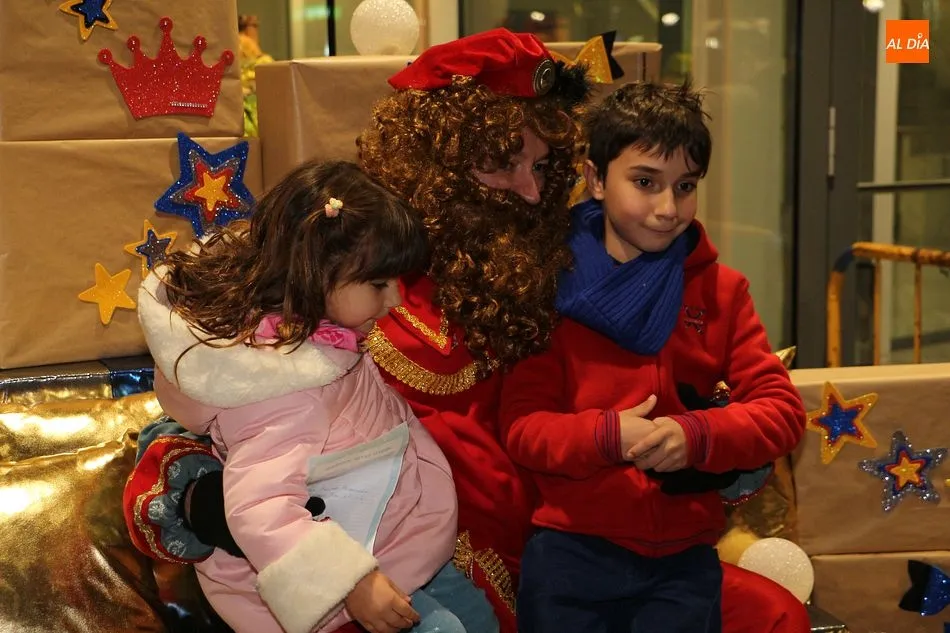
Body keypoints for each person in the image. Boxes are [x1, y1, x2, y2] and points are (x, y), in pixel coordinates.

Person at [124, 30, 812, 633]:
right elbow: (226, 408)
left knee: (768, 613)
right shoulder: (352, 276)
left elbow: (703, 398)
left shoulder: (575, 272)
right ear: (439, 164)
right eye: (503, 163)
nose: (531, 192)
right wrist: (215, 503)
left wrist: (701, 442)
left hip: (572, 550)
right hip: (399, 569)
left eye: (542, 167)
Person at [127, 159, 499, 633]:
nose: (395, 300)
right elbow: (260, 508)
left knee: (476, 619)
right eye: (379, 284)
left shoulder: (321, 340)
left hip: (393, 541)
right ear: (317, 274)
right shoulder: (283, 389)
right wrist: (349, 582)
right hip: (353, 576)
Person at [499, 80, 808, 633]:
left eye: (685, 186)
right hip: (571, 555)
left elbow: (782, 413)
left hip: (683, 564)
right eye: (645, 182)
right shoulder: (546, 289)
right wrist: (606, 436)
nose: (668, 208)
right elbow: (523, 428)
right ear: (596, 179)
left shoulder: (721, 291)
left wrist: (697, 435)